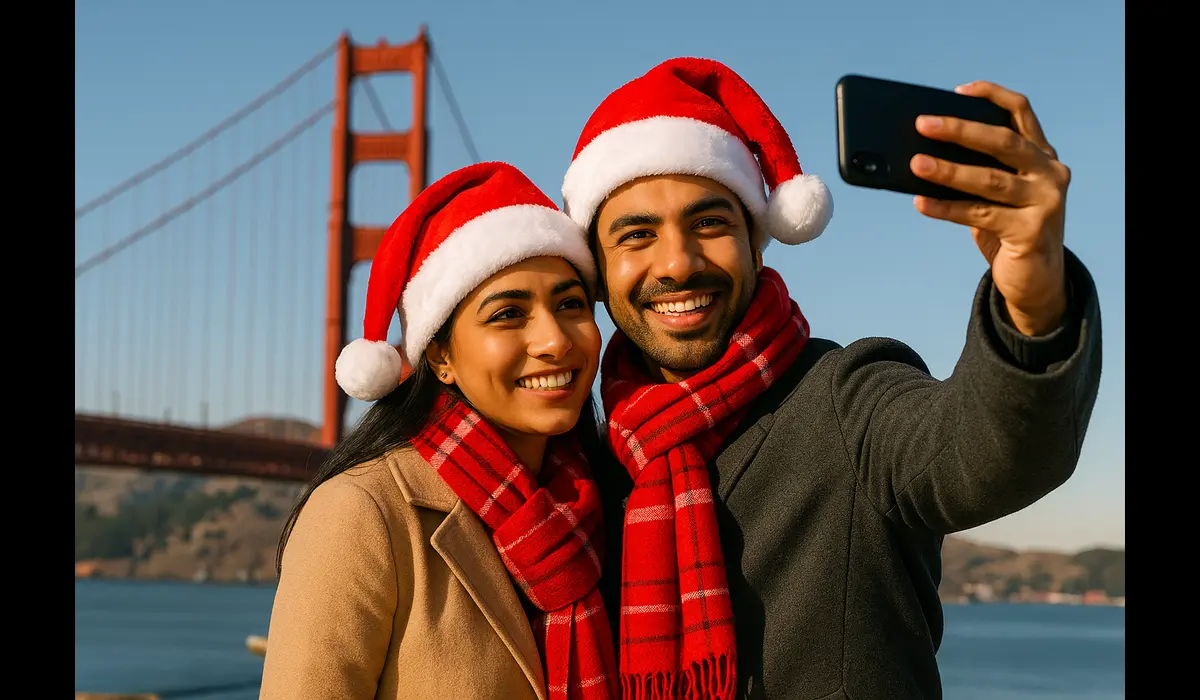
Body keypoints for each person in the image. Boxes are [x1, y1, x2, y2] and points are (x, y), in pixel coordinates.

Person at [558, 58, 1102, 700]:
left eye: (710, 223)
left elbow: (988, 453)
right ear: (596, 270)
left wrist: (1035, 301)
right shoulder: (581, 466)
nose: (677, 262)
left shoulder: (848, 398)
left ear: (758, 243)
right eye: (637, 235)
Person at [259, 162, 620, 700]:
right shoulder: (362, 514)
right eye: (508, 314)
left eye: (570, 304)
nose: (554, 340)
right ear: (440, 354)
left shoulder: (608, 503)